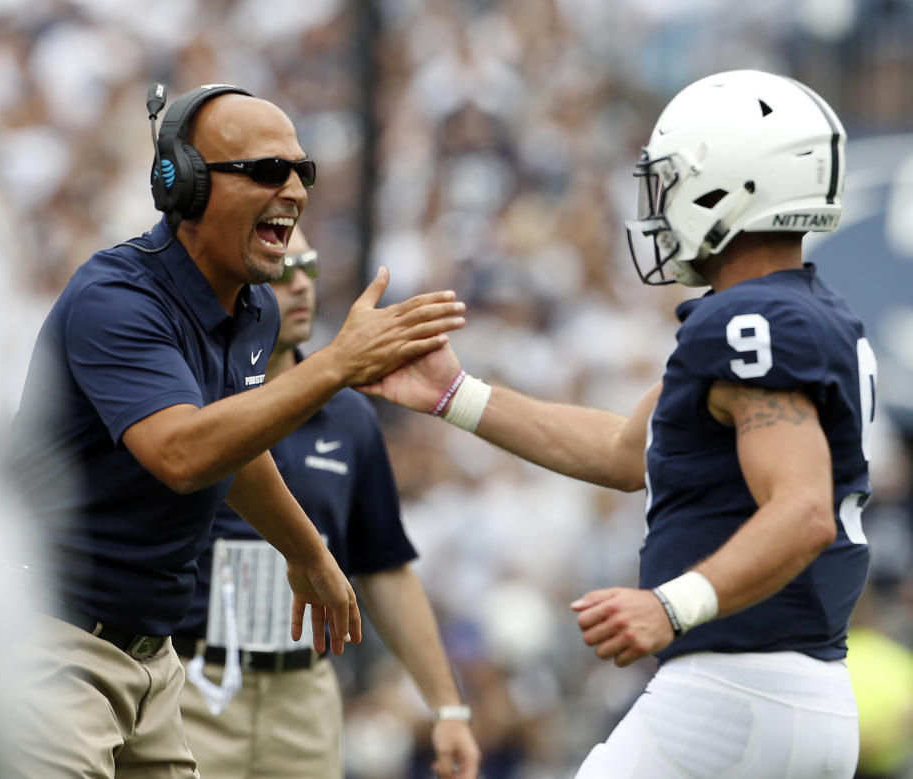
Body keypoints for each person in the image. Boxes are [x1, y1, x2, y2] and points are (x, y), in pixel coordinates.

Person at [362, 69, 875, 778]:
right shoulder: (800, 316)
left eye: (673, 182)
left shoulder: (749, 321)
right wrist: (457, 394)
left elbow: (804, 508)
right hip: (808, 695)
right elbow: (622, 451)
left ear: (732, 186)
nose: (662, 206)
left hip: (731, 693)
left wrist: (672, 603)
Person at [6, 83, 465, 777]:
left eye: (301, 171)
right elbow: (183, 453)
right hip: (57, 644)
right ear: (183, 184)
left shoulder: (254, 311)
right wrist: (338, 364)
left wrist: (307, 552)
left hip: (152, 663)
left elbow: (235, 452)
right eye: (265, 170)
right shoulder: (115, 299)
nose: (293, 188)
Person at [173, 226, 481, 779]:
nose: (300, 286)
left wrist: (448, 706)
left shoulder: (349, 417)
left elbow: (384, 566)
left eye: (307, 267)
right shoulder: (184, 399)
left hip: (305, 694)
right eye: (279, 271)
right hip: (190, 684)